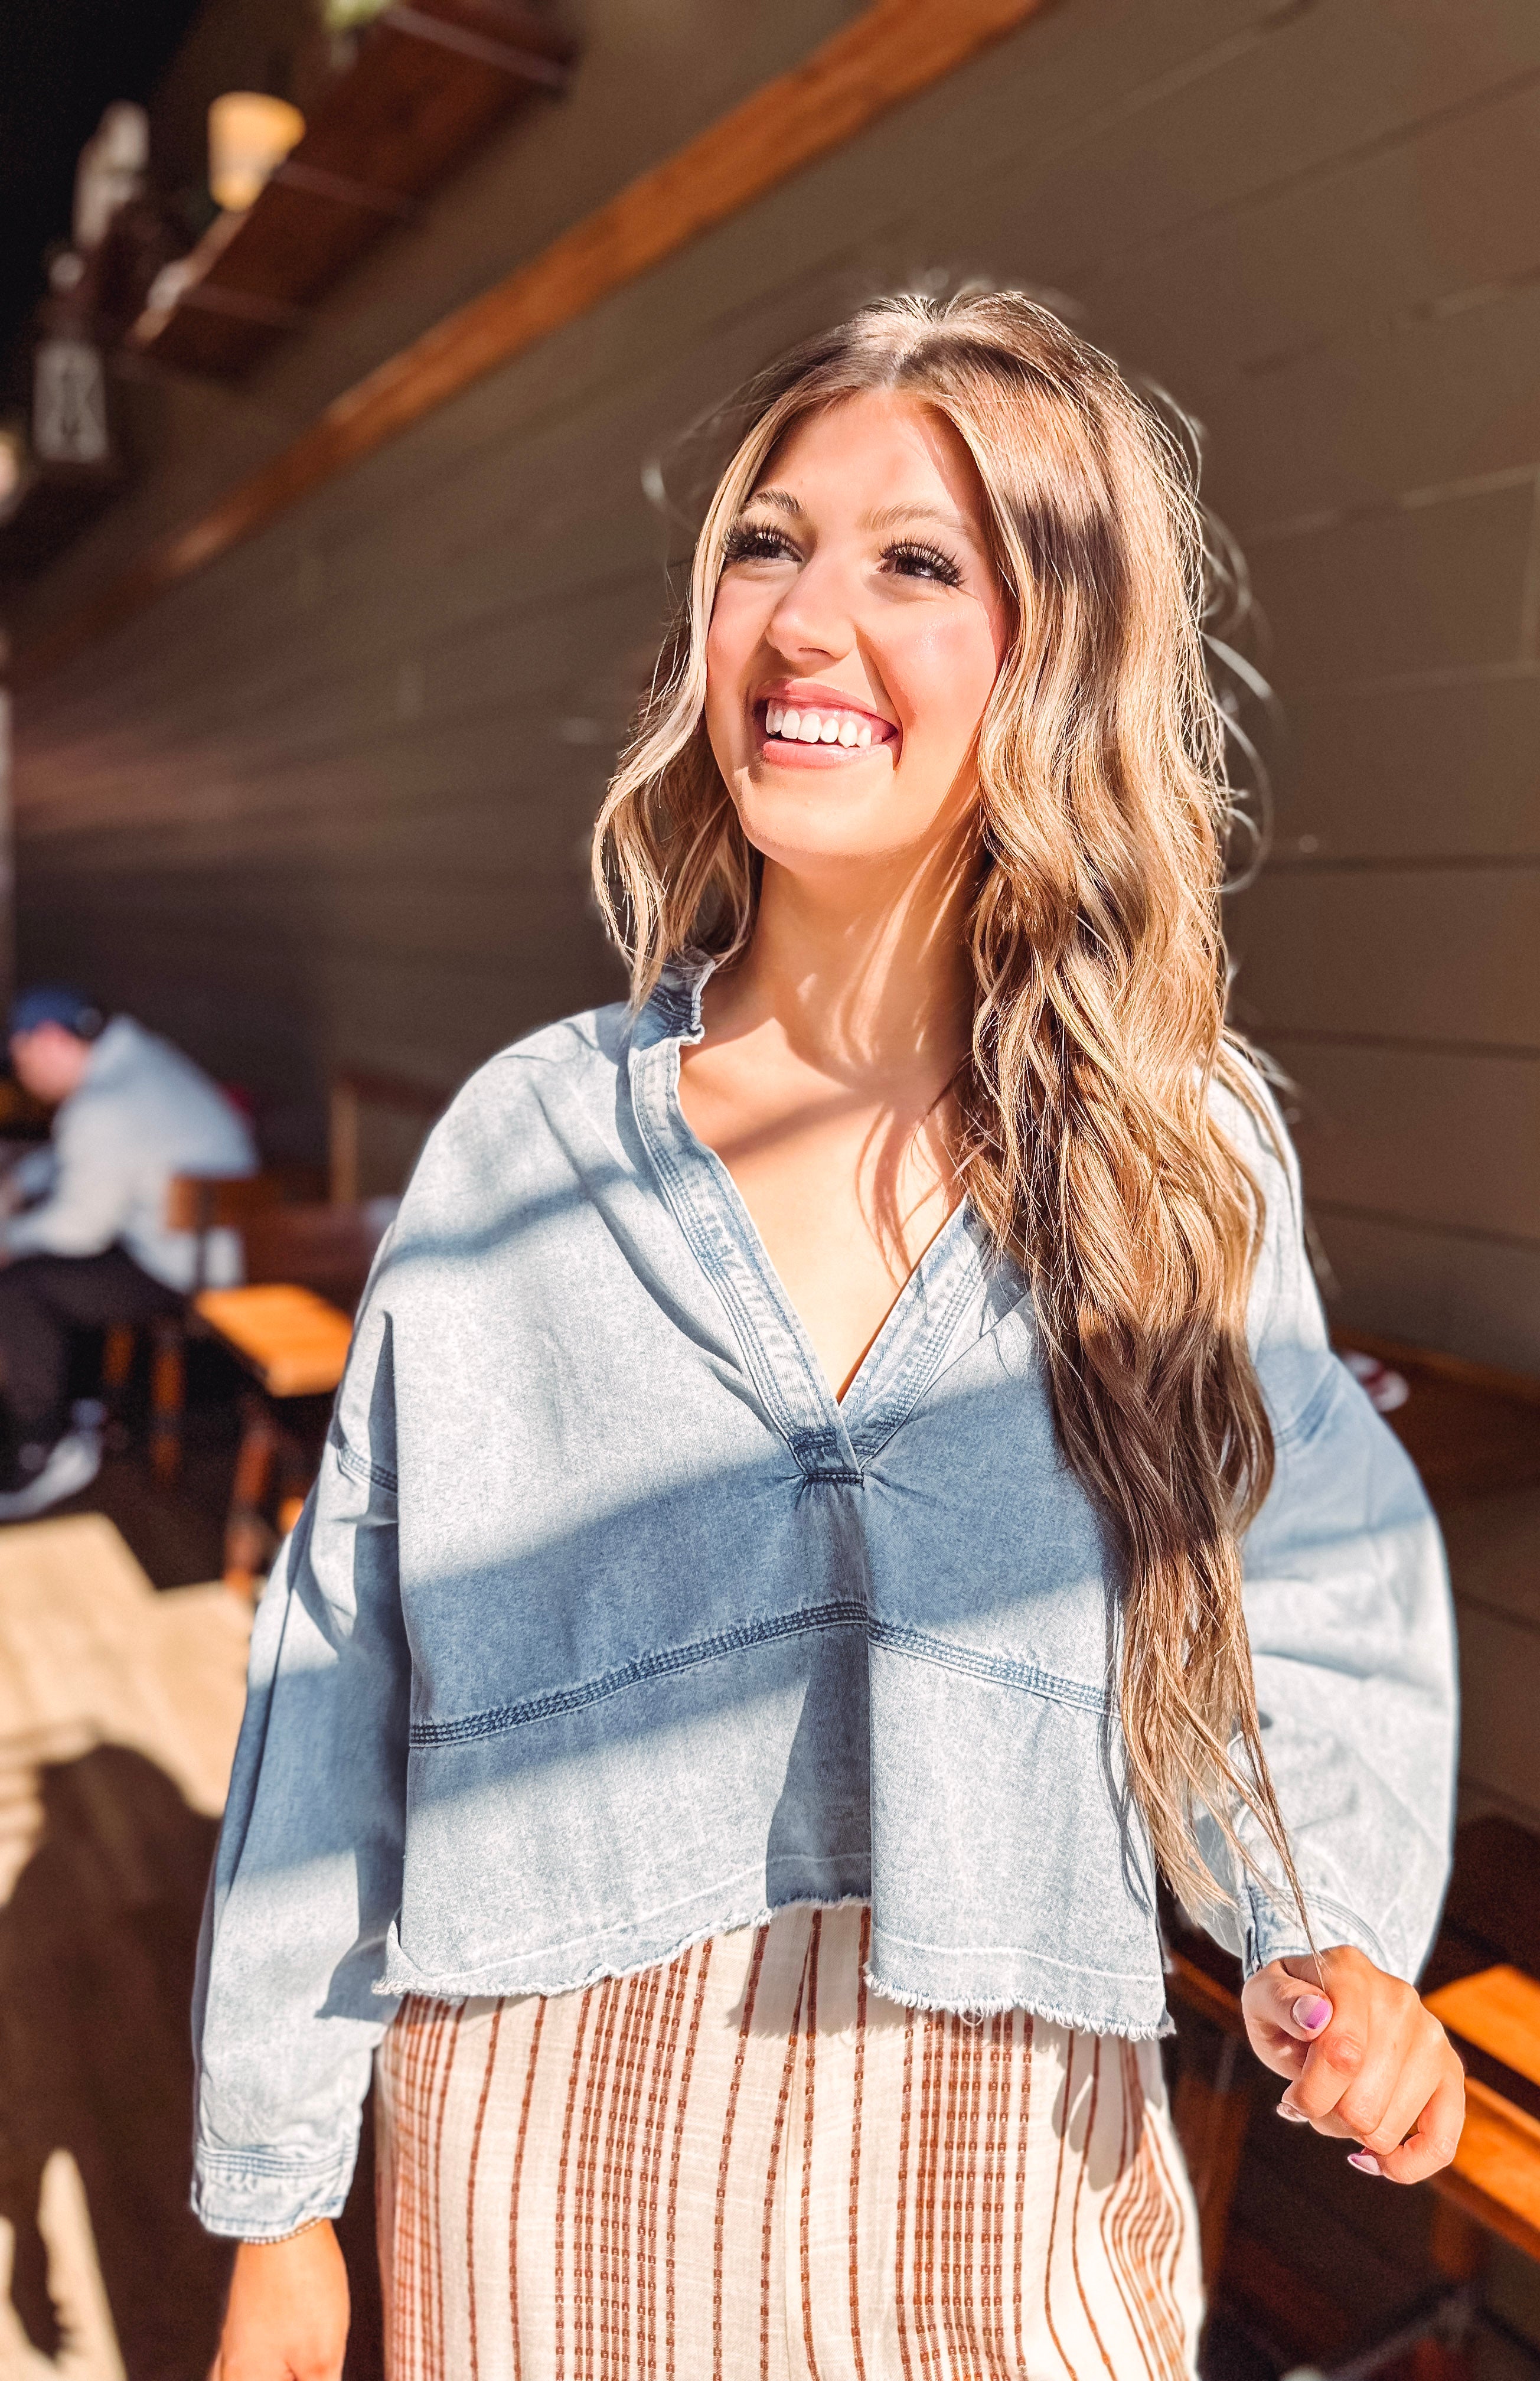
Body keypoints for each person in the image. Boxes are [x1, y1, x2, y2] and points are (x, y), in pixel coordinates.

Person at [197, 292, 1461, 2381]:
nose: (804, 620)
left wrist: (1315, 1926)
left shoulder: (1176, 1153)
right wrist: (276, 2200)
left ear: (1056, 654)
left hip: (1001, 2155)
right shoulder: (525, 1146)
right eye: (767, 547)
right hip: (544, 2151)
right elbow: (339, 1666)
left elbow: (1296, 1572)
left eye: (915, 563)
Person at [0, 987, 256, 1518]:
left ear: (49, 1041)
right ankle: (82, 1405)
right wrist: (22, 1183)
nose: (22, 1077)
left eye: (22, 1061)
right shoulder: (141, 1061)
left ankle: (43, 1446)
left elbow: (79, 1229)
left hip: (189, 1270)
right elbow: (81, 1157)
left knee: (21, 1288)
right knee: (48, 1267)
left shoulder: (103, 1104)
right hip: (218, 1247)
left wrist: (8, 1240)